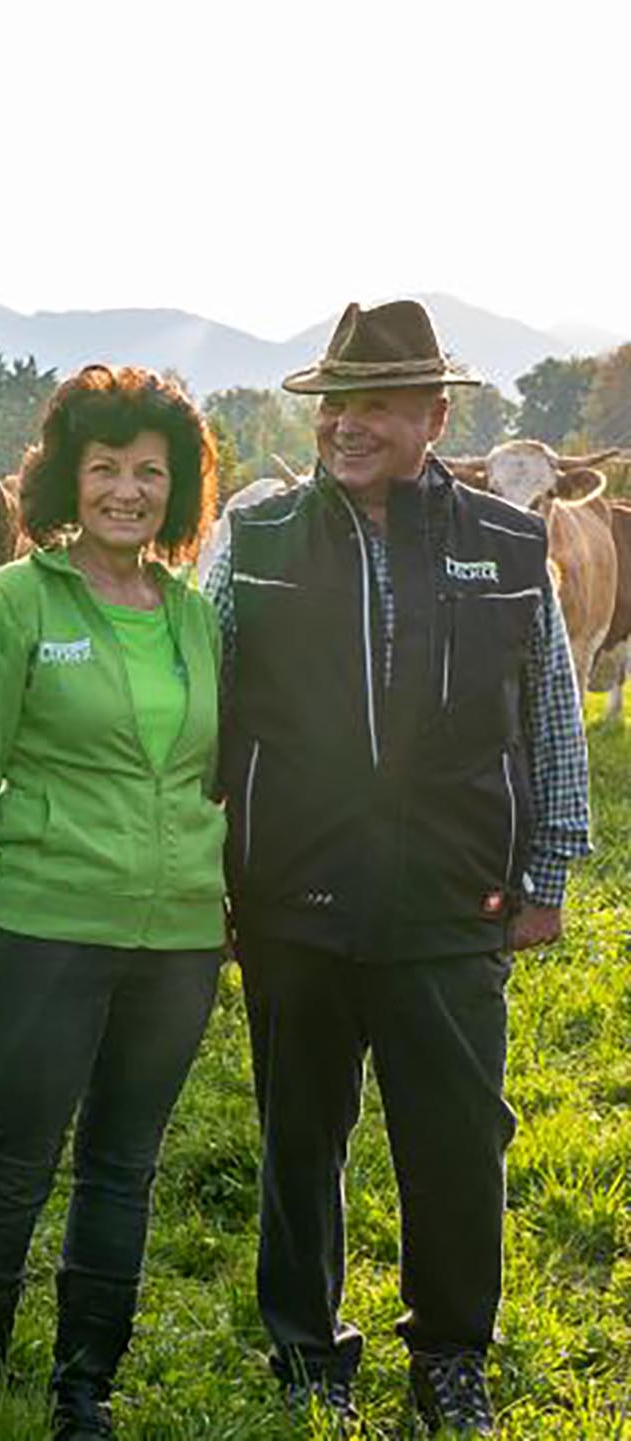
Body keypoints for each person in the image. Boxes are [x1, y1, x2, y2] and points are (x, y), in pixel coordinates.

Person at [205, 299, 590, 1435]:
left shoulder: (510, 546)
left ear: (435, 413)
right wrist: (202, 870)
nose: (347, 425)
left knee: (458, 1137)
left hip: (452, 892)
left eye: (375, 403)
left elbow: (554, 721)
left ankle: (452, 1354)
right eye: (335, 405)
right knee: (298, 1134)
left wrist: (550, 869)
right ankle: (307, 1348)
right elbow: (206, 712)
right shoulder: (259, 542)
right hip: (291, 894)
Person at [0, 365, 224, 1441]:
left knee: (123, 1169)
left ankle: (84, 1383)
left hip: (181, 934)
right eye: (107, 469)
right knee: (14, 1163)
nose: (128, 491)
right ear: (69, 479)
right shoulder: (17, 602)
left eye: (151, 472)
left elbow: (214, 772)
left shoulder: (194, 616)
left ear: (178, 491)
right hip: (43, 925)